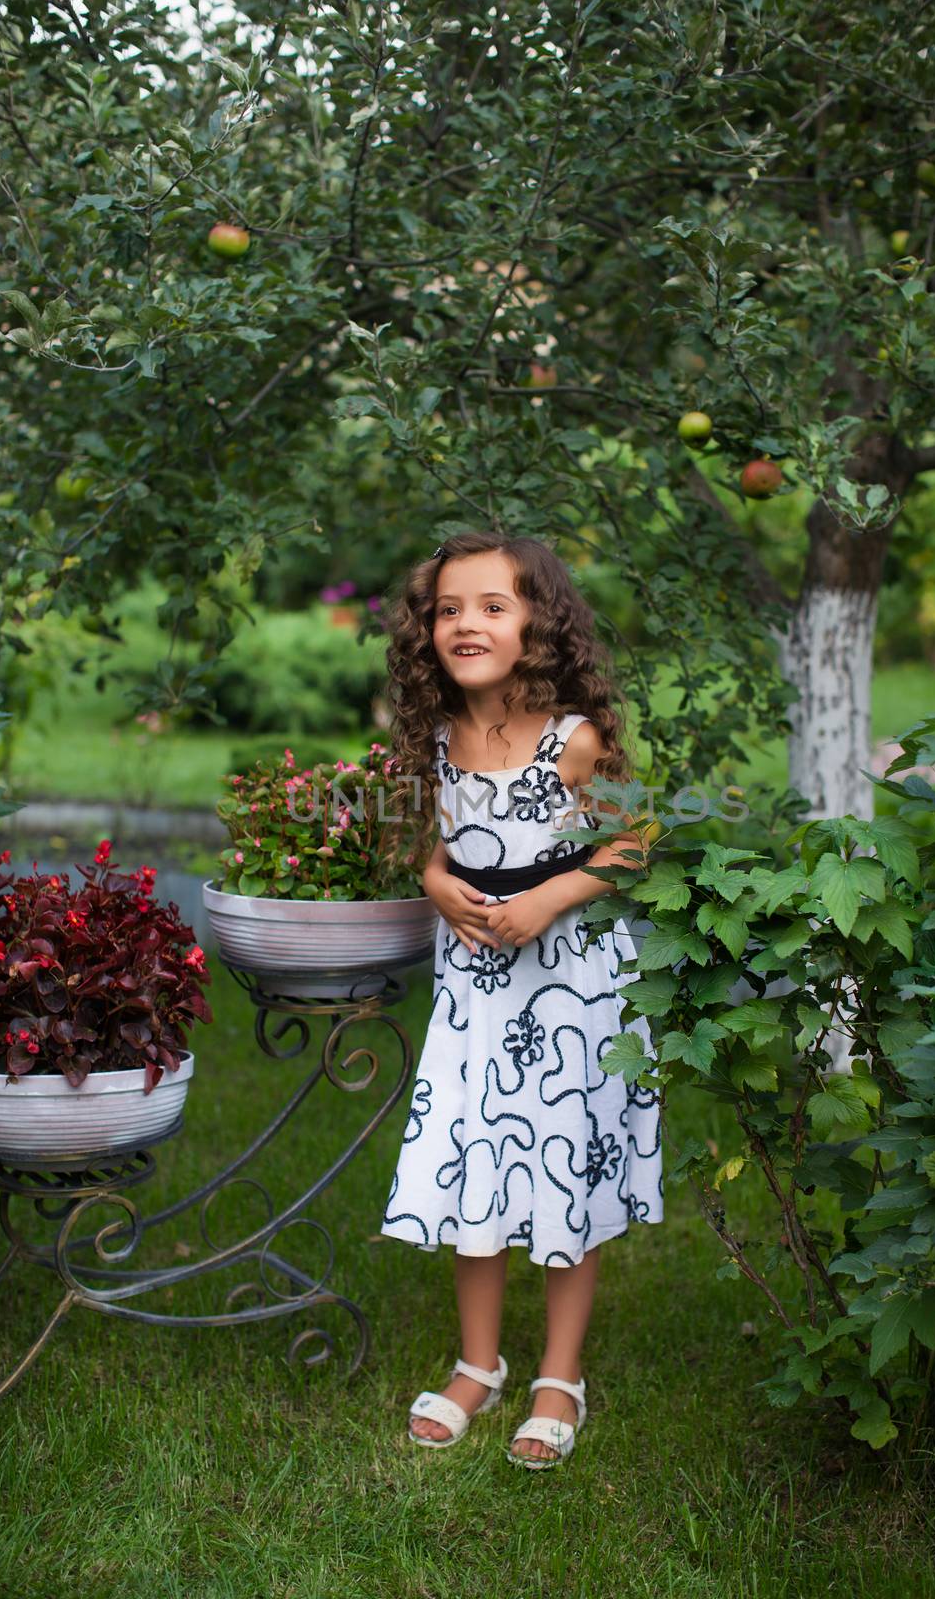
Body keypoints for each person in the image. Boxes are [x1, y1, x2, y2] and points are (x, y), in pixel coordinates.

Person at [377, 529, 664, 1469]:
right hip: (476, 993)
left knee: (559, 1165)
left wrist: (546, 897)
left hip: (569, 988)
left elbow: (631, 845)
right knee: (475, 1163)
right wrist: (431, 878)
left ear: (536, 623)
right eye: (448, 608)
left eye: (492, 606)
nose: (466, 624)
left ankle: (559, 1376)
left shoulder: (570, 740)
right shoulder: (433, 736)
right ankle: (477, 1364)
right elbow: (433, 833)